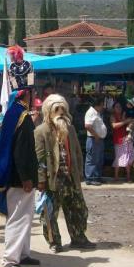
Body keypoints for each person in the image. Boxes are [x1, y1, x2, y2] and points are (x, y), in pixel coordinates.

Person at [0, 47, 39, 267]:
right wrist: (26, 178)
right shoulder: (22, 116)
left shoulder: (14, 112)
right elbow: (22, 151)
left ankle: (23, 253)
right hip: (18, 177)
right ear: (27, 92)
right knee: (18, 217)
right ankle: (10, 259)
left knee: (25, 217)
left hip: (18, 175)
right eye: (33, 91)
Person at [35, 94, 94, 253]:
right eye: (56, 109)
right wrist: (41, 180)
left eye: (63, 109)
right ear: (49, 112)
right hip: (53, 180)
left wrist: (79, 172)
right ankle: (54, 242)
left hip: (71, 178)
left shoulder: (70, 128)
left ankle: (78, 238)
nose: (60, 113)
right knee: (50, 214)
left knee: (78, 209)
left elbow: (77, 152)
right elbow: (39, 158)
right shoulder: (41, 131)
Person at [84, 96, 107, 186]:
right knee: (92, 159)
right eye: (102, 104)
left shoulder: (97, 113)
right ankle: (90, 178)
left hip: (98, 139)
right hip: (93, 139)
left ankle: (97, 177)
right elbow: (87, 126)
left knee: (98, 159)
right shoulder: (91, 112)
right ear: (99, 104)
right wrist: (96, 135)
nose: (103, 106)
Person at [111, 102, 134, 182]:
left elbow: (132, 123)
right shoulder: (113, 116)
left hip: (126, 139)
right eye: (117, 107)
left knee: (128, 158)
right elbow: (114, 126)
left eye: (120, 107)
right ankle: (116, 177)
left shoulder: (124, 115)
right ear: (113, 108)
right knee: (118, 158)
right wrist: (125, 122)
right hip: (118, 140)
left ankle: (128, 177)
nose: (119, 108)